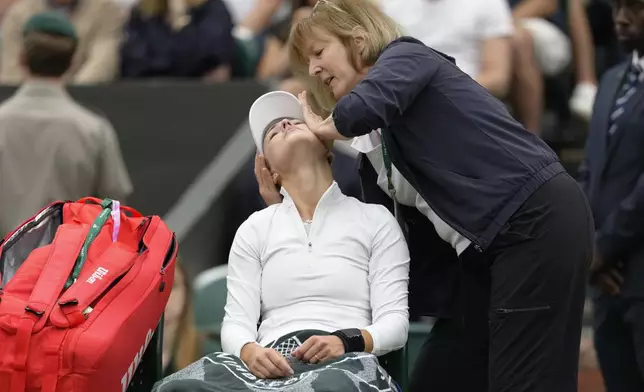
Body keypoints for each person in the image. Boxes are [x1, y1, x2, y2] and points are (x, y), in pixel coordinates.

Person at [258, 1, 593, 391]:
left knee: (526, 382)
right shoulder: (372, 144)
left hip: (533, 223)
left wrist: (325, 128)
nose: (313, 70)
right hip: (482, 260)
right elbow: (365, 242)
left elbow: (363, 107)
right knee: (439, 377)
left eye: (319, 52)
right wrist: (284, 208)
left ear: (359, 40)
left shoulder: (407, 55)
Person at [152, 91, 409, 392]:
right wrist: (250, 351)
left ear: (327, 148)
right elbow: (236, 323)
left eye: (295, 121)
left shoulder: (375, 220)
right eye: (273, 132)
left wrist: (344, 340)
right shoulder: (255, 228)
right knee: (175, 389)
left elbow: (395, 324)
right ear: (269, 170)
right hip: (272, 365)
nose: (285, 124)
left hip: (345, 362)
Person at [0, 11, 132, 236]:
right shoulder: (93, 130)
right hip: (68, 265)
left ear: (22, 59)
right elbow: (116, 208)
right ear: (71, 63)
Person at [578, 0, 644, 390]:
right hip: (605, 279)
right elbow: (590, 171)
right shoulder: (612, 79)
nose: (621, 18)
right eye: (618, 6)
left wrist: (603, 249)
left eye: (635, 8)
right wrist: (591, 249)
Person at [0, 0, 124, 84]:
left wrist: (65, 95)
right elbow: (11, 70)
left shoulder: (106, 10)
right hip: (27, 101)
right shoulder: (19, 13)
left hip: (85, 98)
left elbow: (103, 62)